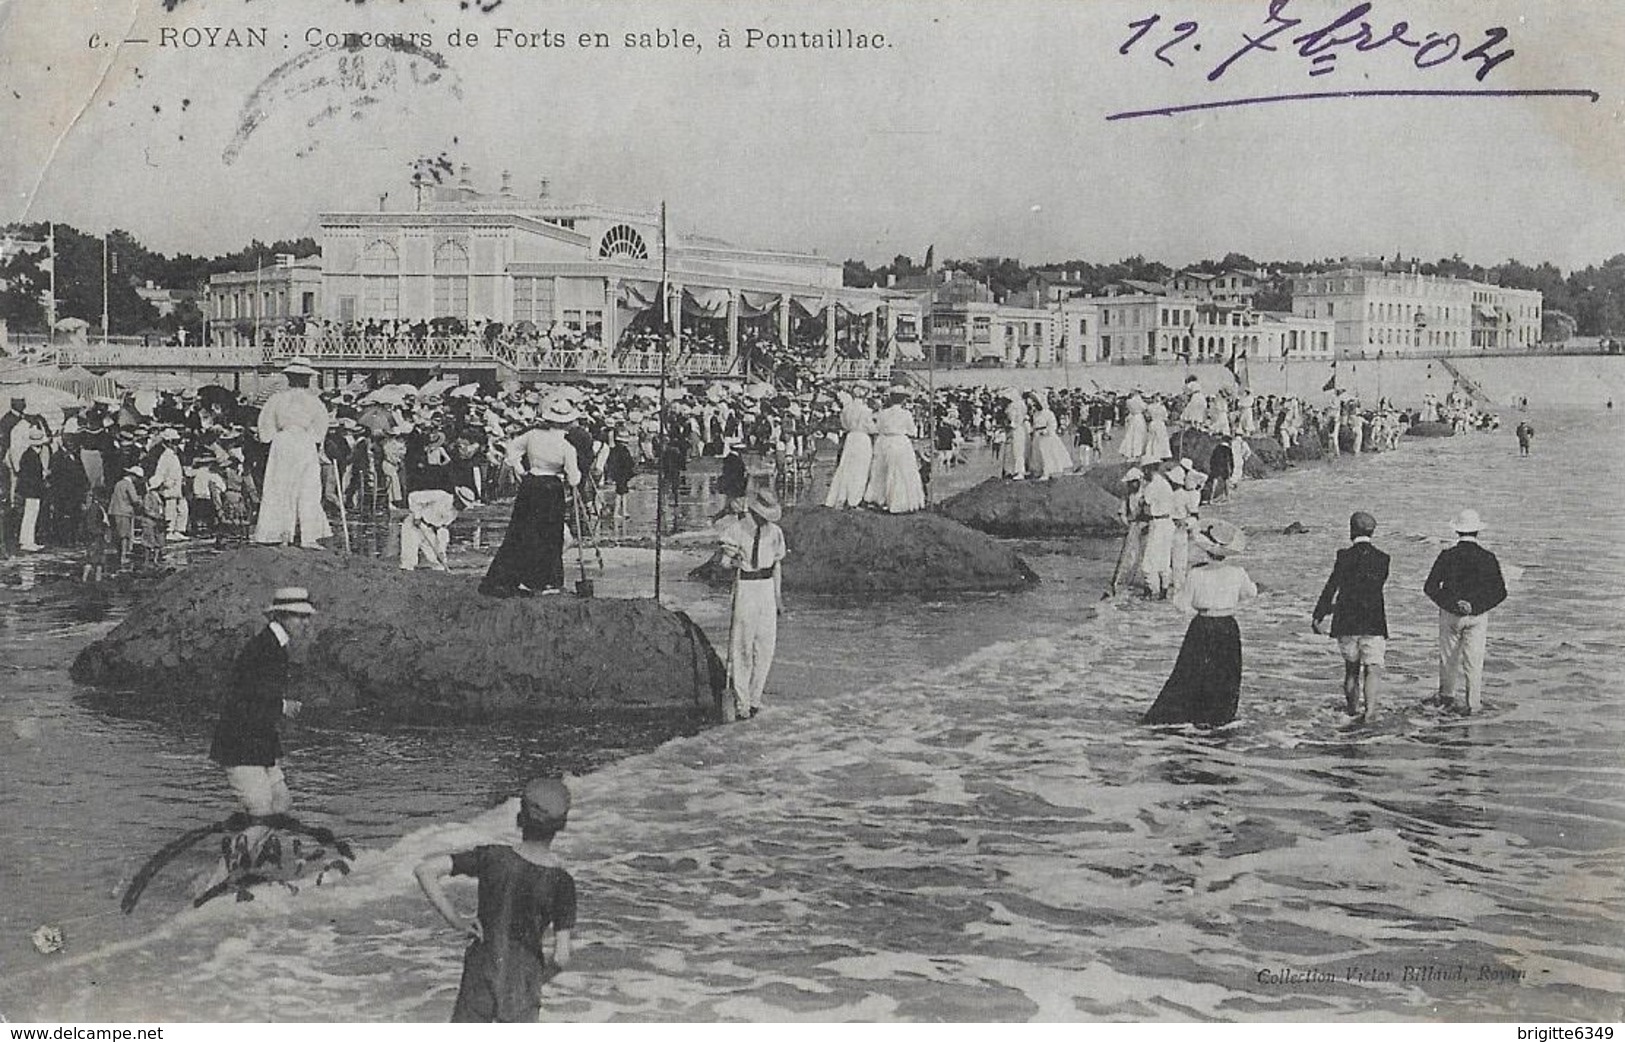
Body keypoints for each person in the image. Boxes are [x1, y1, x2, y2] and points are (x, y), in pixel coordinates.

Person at [414, 778, 577, 1023]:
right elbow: (561, 957)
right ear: (561, 826)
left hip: (481, 974)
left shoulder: (493, 857)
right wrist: (532, 981)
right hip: (522, 984)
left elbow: (425, 870)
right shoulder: (561, 882)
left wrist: (457, 921)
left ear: (520, 818)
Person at [204, 587, 314, 890]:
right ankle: (213, 884)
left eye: (307, 617)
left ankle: (242, 871)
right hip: (241, 744)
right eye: (300, 617)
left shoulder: (272, 646)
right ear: (281, 616)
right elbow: (242, 698)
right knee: (263, 816)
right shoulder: (264, 649)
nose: (306, 623)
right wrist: (281, 706)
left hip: (259, 742)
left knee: (282, 801)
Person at [1141, 519, 1257, 727]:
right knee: (1226, 675)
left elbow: (1182, 604)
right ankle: (1219, 719)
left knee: (1190, 672)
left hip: (1203, 624)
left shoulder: (1196, 573)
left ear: (1206, 550)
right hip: (1228, 625)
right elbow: (1251, 593)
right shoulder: (1238, 572)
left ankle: (1183, 719)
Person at [480, 398, 582, 596]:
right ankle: (545, 581)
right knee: (550, 536)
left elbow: (511, 449)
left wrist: (520, 469)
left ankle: (510, 578)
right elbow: (574, 478)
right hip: (552, 487)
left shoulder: (532, 435)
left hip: (531, 484)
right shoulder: (567, 446)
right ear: (566, 423)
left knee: (521, 530)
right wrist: (572, 478)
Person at [1423, 509, 1507, 715]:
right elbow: (1500, 592)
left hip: (1450, 614)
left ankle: (1446, 701)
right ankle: (1473, 704)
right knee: (1474, 662)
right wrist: (1475, 606)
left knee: (1448, 660)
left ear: (1457, 531)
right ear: (1478, 531)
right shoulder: (1488, 557)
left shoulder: (1447, 555)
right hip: (1477, 616)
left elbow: (1430, 587)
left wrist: (1453, 604)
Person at [1312, 511, 1391, 722]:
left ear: (1351, 530)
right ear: (1372, 532)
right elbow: (1372, 587)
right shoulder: (1383, 559)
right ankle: (1371, 711)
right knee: (1373, 668)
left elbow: (1332, 586)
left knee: (1351, 670)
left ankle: (1352, 710)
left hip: (1346, 620)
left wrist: (1319, 614)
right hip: (1373, 621)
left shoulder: (1343, 556)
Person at [719, 487, 787, 720]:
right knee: (742, 646)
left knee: (765, 646)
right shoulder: (736, 530)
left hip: (766, 588)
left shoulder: (775, 533)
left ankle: (755, 698)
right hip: (746, 586)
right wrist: (733, 561)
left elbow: (777, 565)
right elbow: (724, 562)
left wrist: (778, 597)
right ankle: (742, 701)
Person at [252, 357, 333, 547]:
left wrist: (271, 437)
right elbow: (321, 428)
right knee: (306, 487)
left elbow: (265, 427)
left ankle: (284, 533)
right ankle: (304, 536)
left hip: (284, 442)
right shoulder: (314, 402)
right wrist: (313, 439)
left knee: (282, 486)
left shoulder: (276, 400)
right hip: (301, 442)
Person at [864, 391, 926, 514]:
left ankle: (882, 499)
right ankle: (899, 501)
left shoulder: (883, 413)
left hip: (885, 441)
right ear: (903, 400)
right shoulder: (906, 414)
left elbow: (878, 428)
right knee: (901, 471)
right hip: (900, 442)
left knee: (883, 470)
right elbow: (912, 431)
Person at [401, 486, 477, 570]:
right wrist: (417, 516)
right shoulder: (440, 495)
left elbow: (442, 530)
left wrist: (441, 550)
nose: (463, 508)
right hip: (413, 525)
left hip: (429, 531)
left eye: (464, 506)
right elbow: (413, 497)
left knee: (438, 563)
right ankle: (406, 574)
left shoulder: (454, 513)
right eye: (462, 504)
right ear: (457, 498)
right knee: (409, 560)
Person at [823, 392, 875, 508]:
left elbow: (844, 425)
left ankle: (842, 496)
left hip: (850, 438)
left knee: (846, 467)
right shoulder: (867, 411)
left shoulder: (846, 410)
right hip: (862, 438)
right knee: (860, 469)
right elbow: (871, 428)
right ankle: (854, 499)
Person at [108, 464, 143, 569]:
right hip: (124, 511)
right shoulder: (129, 485)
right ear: (133, 476)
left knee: (118, 534)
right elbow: (135, 500)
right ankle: (123, 556)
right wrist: (140, 502)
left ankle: (119, 555)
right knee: (125, 535)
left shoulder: (118, 483)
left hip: (114, 510)